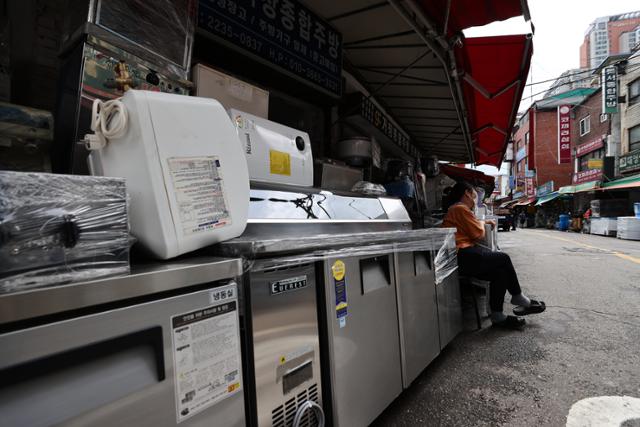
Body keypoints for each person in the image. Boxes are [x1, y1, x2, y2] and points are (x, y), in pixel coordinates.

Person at [442, 181, 545, 329]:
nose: (475, 200)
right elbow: (478, 234)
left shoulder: (457, 209)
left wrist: (481, 223)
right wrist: (483, 225)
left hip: (463, 256)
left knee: (500, 273)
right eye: (475, 196)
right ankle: (518, 297)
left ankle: (497, 316)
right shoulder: (460, 208)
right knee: (503, 258)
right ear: (467, 193)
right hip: (461, 255)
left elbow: (474, 228)